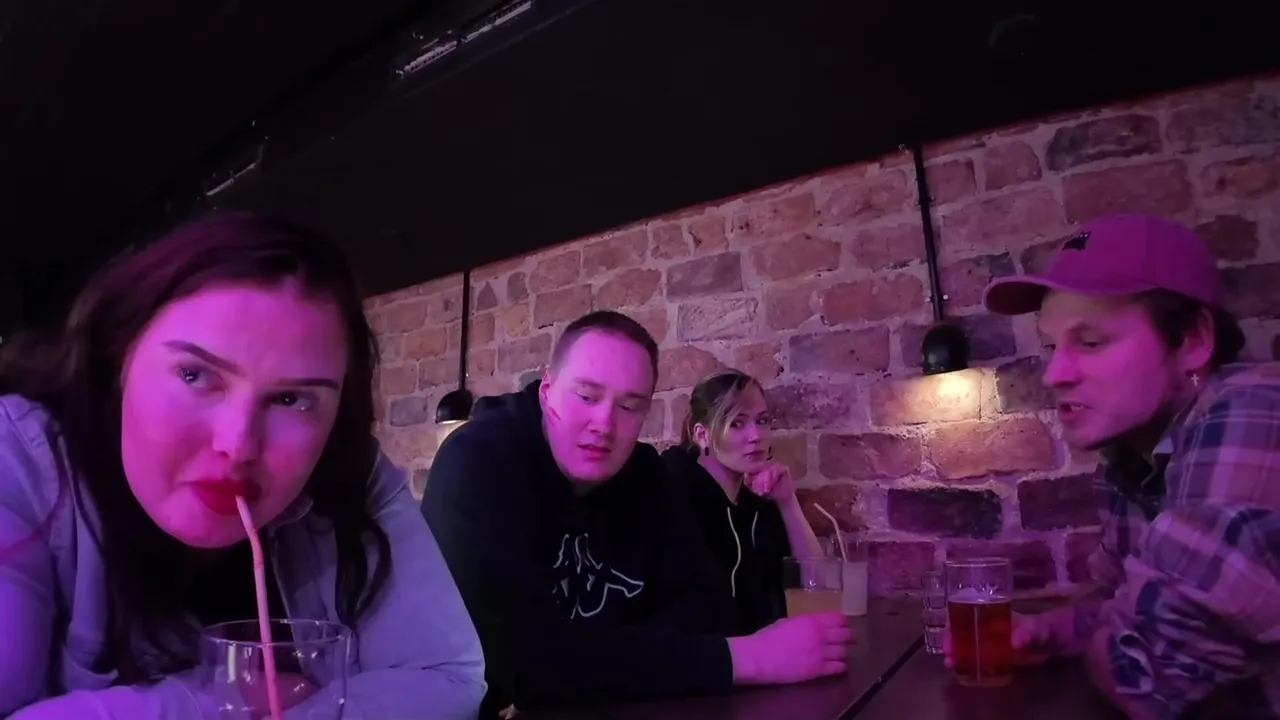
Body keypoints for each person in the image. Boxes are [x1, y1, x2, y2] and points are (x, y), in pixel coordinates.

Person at [0, 212, 486, 719]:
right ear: (118, 359)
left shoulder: (348, 473)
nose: (238, 445)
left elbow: (447, 678)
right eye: (195, 375)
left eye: (292, 400)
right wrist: (227, 699)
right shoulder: (19, 457)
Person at [422, 310, 853, 717]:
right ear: (547, 390)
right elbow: (523, 665)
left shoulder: (646, 474)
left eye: (629, 406)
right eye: (587, 396)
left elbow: (708, 611)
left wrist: (583, 659)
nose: (604, 424)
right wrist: (747, 658)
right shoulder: (477, 462)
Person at [964, 213, 1280, 718]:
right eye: (1051, 346)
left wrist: (1107, 642)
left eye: (1090, 342)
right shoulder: (1133, 456)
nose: (1053, 375)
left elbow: (1143, 678)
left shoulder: (1254, 410)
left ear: (1193, 340)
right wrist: (1053, 630)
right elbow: (1118, 601)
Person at [661, 369, 823, 635]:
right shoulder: (672, 493)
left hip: (775, 654)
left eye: (762, 421)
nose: (756, 435)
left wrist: (788, 502)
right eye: (737, 423)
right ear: (702, 435)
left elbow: (819, 585)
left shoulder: (759, 502)